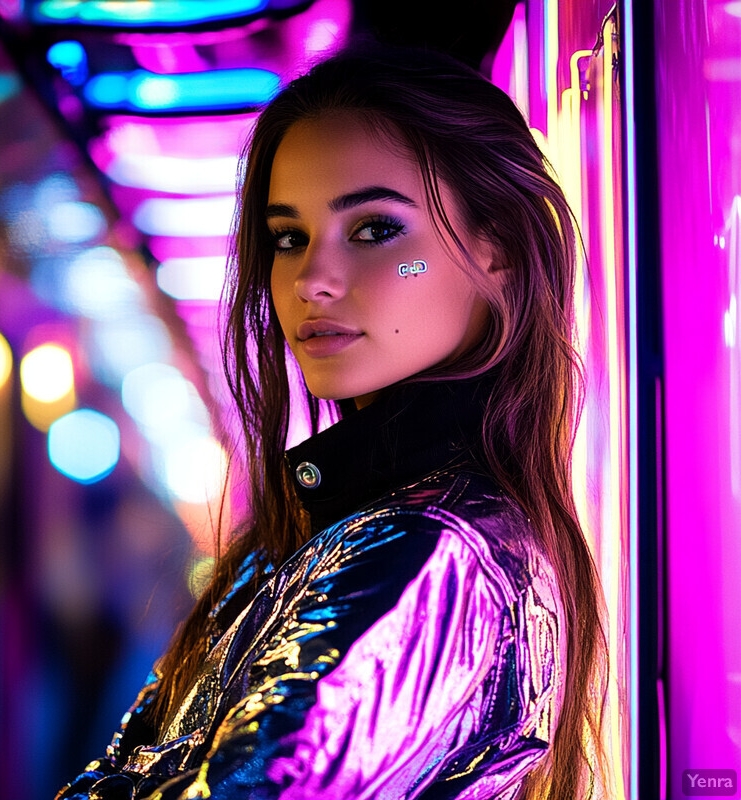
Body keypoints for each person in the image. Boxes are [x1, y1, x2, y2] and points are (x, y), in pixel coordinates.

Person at [57, 42, 608, 800]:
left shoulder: (428, 552)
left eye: (377, 231)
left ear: (500, 249)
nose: (313, 279)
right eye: (290, 238)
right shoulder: (333, 522)